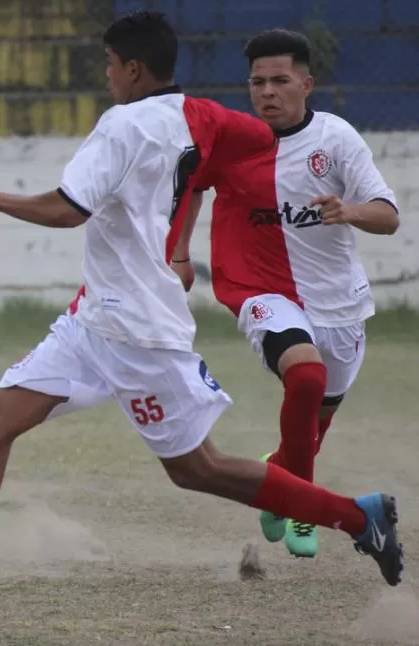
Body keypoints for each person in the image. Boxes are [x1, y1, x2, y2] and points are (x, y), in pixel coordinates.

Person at [0, 11, 403, 622]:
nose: (108, 77)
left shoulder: (121, 125)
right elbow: (261, 145)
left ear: (134, 69)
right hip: (95, 318)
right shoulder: (201, 115)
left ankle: (360, 517)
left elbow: (70, 210)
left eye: (111, 66)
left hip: (139, 327)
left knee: (199, 469)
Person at [170, 29, 400, 559]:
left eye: (279, 80)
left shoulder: (336, 138)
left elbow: (388, 216)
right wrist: (179, 255)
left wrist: (350, 211)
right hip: (257, 288)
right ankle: (306, 507)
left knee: (313, 426)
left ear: (306, 83)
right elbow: (192, 186)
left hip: (339, 304)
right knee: (305, 376)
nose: (267, 92)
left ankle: (277, 481)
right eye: (257, 82)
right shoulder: (232, 139)